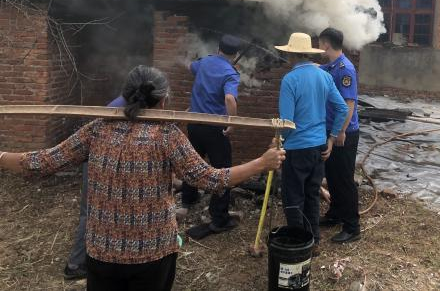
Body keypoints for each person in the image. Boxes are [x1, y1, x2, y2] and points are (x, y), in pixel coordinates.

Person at [0, 65, 285, 291]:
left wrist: (0, 156)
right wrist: (262, 162)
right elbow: (210, 179)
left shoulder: (97, 130)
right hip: (152, 255)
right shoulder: (167, 135)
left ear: (124, 96)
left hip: (103, 253)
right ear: (163, 100)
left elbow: (40, 163)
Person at [276, 33, 348, 256]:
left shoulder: (290, 79)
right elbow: (343, 109)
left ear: (291, 55)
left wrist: (279, 144)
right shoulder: (324, 76)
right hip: (318, 148)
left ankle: (299, 243)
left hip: (296, 149)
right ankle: (314, 240)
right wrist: (331, 138)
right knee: (312, 194)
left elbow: (287, 122)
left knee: (293, 197)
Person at [181, 35, 242, 240]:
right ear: (234, 56)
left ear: (218, 48)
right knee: (222, 169)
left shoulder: (204, 62)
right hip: (215, 128)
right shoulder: (231, 73)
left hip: (195, 124)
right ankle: (219, 217)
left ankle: (188, 200)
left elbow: (191, 67)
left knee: (192, 161)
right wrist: (231, 122)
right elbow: (229, 98)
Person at [64, 95, 126, 280]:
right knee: (90, 212)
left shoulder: (123, 101)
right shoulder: (130, 107)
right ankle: (74, 265)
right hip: (98, 161)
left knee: (94, 211)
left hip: (98, 159)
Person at [318, 28, 361, 244]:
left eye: (319, 43)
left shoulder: (346, 70)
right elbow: (323, 69)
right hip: (332, 129)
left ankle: (352, 227)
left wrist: (340, 132)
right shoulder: (332, 66)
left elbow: (349, 104)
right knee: (332, 175)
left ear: (326, 44)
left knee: (344, 179)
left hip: (345, 133)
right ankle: (335, 214)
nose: (319, 47)